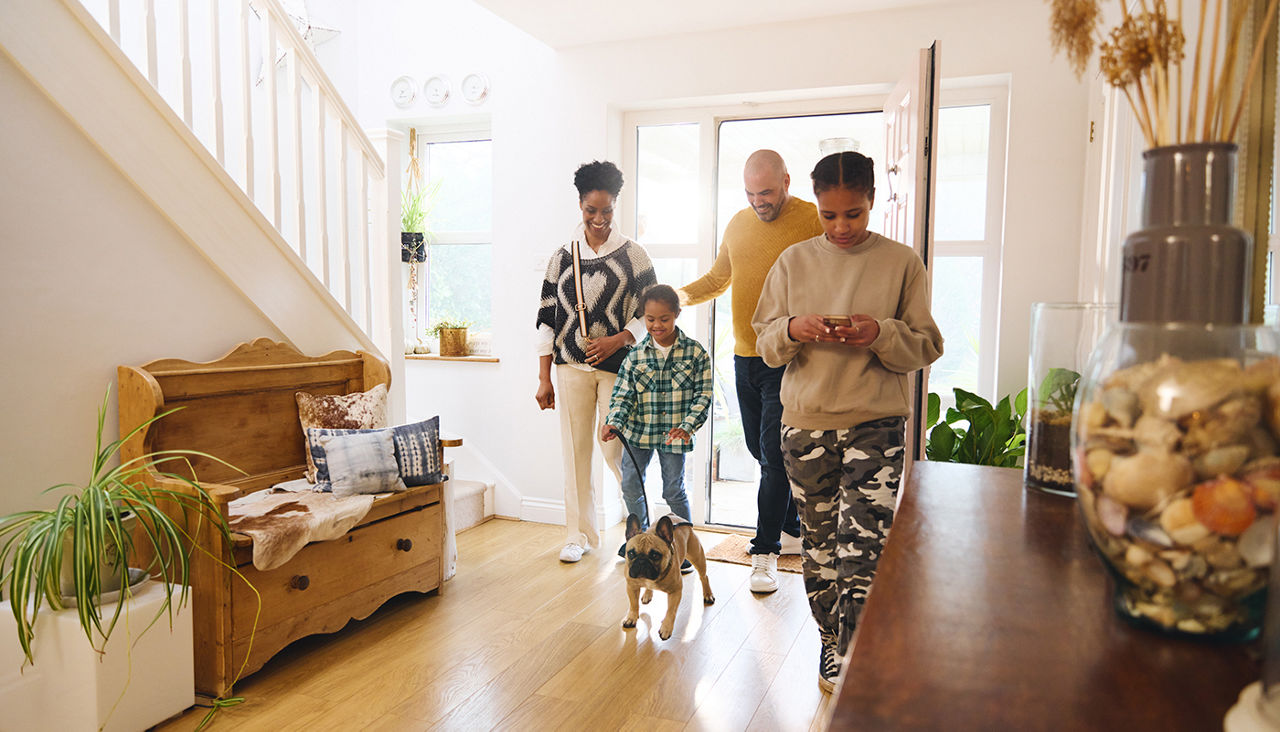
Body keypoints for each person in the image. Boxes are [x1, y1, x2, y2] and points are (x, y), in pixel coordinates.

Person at [752, 151, 943, 694]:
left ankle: (861, 648)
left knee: (865, 546)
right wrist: (793, 327)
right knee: (819, 545)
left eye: (853, 214)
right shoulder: (791, 262)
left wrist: (878, 334)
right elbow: (765, 346)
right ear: (815, 205)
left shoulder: (902, 263)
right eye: (829, 215)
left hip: (875, 424)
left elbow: (926, 345)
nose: (840, 227)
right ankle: (832, 642)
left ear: (872, 202)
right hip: (805, 426)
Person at [678, 149, 824, 595]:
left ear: (786, 181)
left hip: (789, 357)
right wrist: (672, 298)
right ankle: (794, 529)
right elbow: (718, 278)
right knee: (758, 450)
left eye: (766, 192)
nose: (759, 201)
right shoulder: (738, 223)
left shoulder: (812, 220)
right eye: (750, 192)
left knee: (774, 455)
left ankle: (765, 553)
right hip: (744, 356)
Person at [536, 160, 656, 564]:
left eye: (607, 210)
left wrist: (617, 339)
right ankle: (578, 535)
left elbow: (652, 312)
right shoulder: (561, 258)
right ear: (580, 205)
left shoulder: (634, 256)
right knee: (575, 453)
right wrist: (543, 378)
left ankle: (642, 532)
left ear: (616, 204)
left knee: (617, 451)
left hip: (617, 369)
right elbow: (546, 319)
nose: (600, 219)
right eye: (592, 210)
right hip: (569, 368)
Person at [600, 284, 712, 571]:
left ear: (676, 314)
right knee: (629, 484)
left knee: (673, 490)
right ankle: (640, 543)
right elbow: (623, 395)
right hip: (638, 432)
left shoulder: (696, 353)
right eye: (650, 319)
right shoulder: (635, 356)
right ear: (644, 317)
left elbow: (703, 394)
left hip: (675, 435)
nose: (657, 325)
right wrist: (614, 422)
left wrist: (688, 426)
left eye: (663, 319)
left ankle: (681, 548)